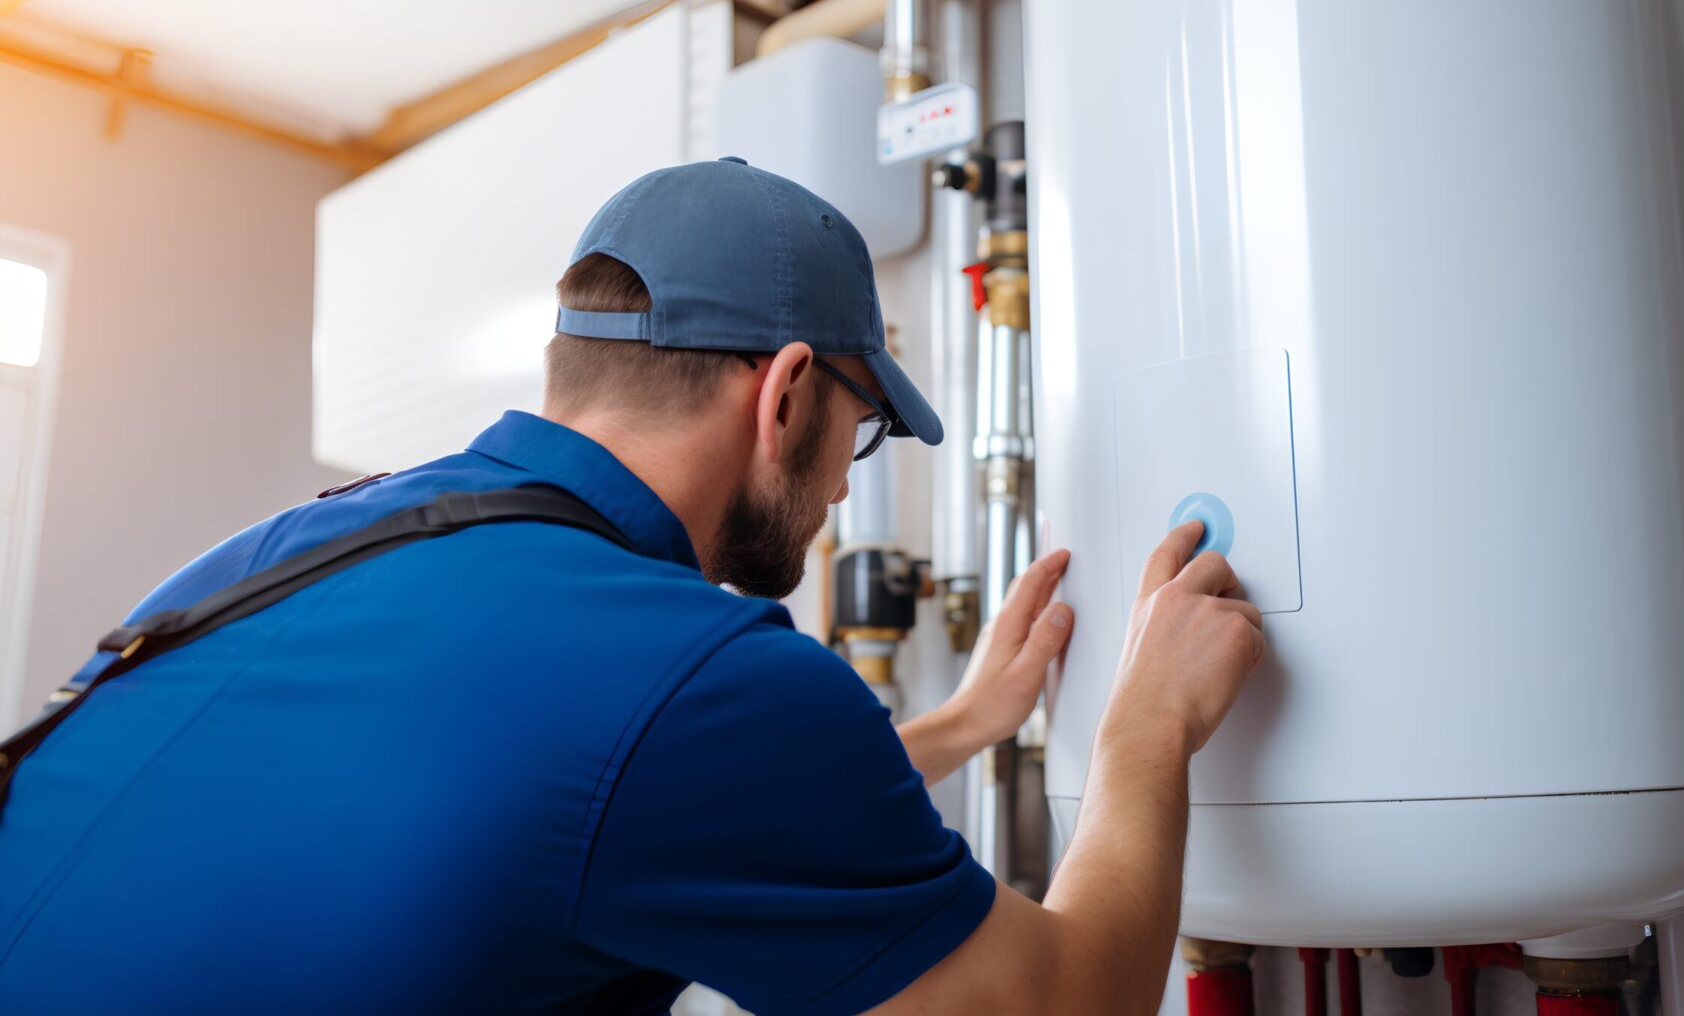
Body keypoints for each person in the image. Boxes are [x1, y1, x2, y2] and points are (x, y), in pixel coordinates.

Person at [0, 158, 1264, 1014]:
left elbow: (555, 793)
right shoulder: (706, 679)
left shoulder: (296, 545)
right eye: (858, 430)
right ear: (781, 396)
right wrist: (1147, 723)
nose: (839, 492)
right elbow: (1066, 999)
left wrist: (963, 726)